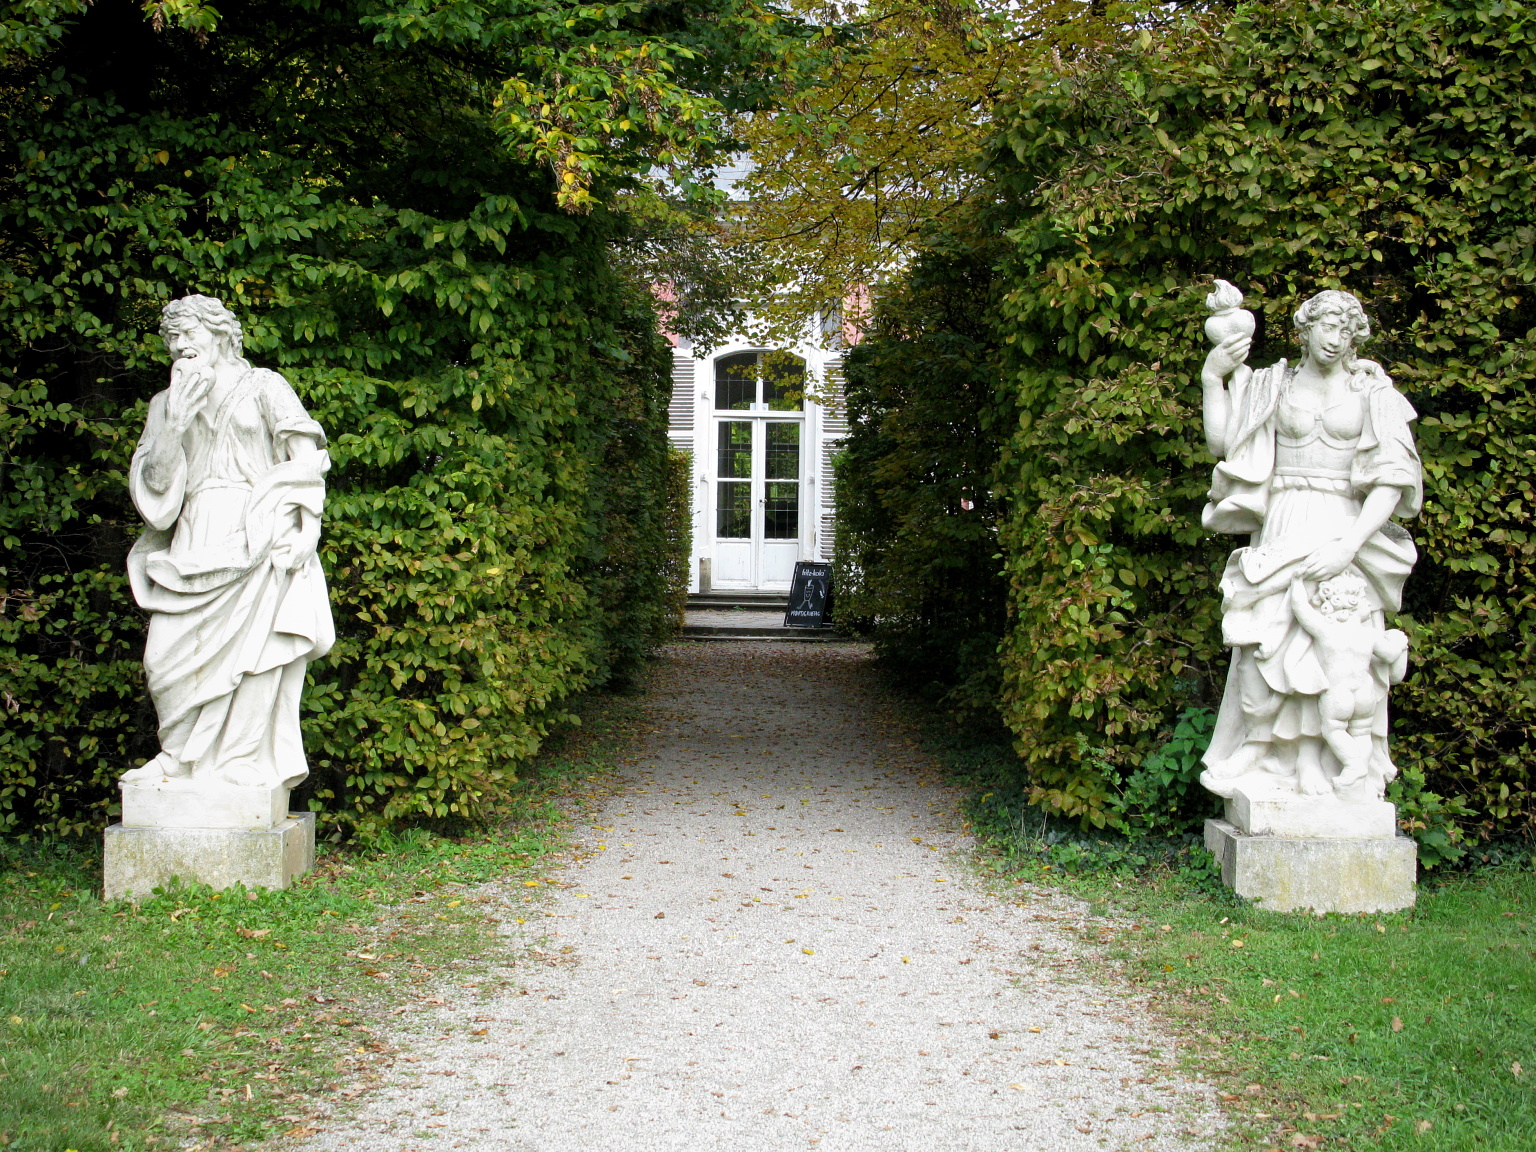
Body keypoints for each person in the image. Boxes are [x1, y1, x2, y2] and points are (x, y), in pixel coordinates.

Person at [1198, 289, 1421, 798]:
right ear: (1305, 329)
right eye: (1327, 327)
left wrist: (1349, 546)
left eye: (1346, 330)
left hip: (1345, 527)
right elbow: (1222, 444)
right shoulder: (1271, 384)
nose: (1335, 339)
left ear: (1355, 337)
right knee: (1264, 641)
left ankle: (1323, 761)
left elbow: (1392, 479)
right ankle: (1258, 747)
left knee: (1337, 651)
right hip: (1283, 520)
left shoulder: (1374, 392)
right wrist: (1213, 378)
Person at [121, 295, 334, 790]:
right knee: (163, 658)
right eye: (172, 337)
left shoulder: (265, 385)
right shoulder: (165, 403)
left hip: (259, 531)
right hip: (193, 534)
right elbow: (155, 487)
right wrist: (175, 424)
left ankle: (240, 759)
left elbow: (307, 461)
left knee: (258, 651)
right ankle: (177, 757)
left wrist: (308, 530)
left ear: (219, 334)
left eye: (188, 333)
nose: (179, 345)